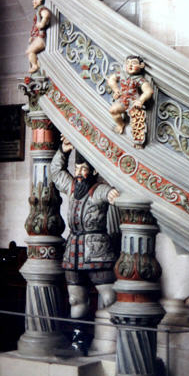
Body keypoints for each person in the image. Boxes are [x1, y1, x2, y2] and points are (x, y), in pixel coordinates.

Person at [50, 136, 119, 318]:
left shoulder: (100, 190)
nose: (79, 173)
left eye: (84, 168)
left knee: (109, 297)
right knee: (75, 299)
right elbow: (56, 173)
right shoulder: (72, 187)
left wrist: (112, 192)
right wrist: (63, 152)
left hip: (98, 251)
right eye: (77, 168)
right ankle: (78, 342)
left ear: (94, 170)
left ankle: (109, 340)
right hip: (73, 250)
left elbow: (110, 193)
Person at [107, 55, 153, 146]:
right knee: (113, 110)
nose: (130, 65)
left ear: (141, 66)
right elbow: (111, 79)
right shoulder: (122, 74)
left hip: (132, 102)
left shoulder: (139, 79)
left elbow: (149, 91)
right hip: (123, 100)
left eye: (134, 63)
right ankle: (121, 124)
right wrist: (116, 89)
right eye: (128, 63)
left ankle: (137, 140)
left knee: (136, 121)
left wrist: (141, 100)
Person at [26, 0, 51, 74]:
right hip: (37, 37)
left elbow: (46, 14)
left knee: (30, 51)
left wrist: (42, 23)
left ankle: (35, 65)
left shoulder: (41, 9)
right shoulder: (38, 10)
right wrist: (32, 37)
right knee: (29, 51)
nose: (33, 1)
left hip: (41, 38)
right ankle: (36, 64)